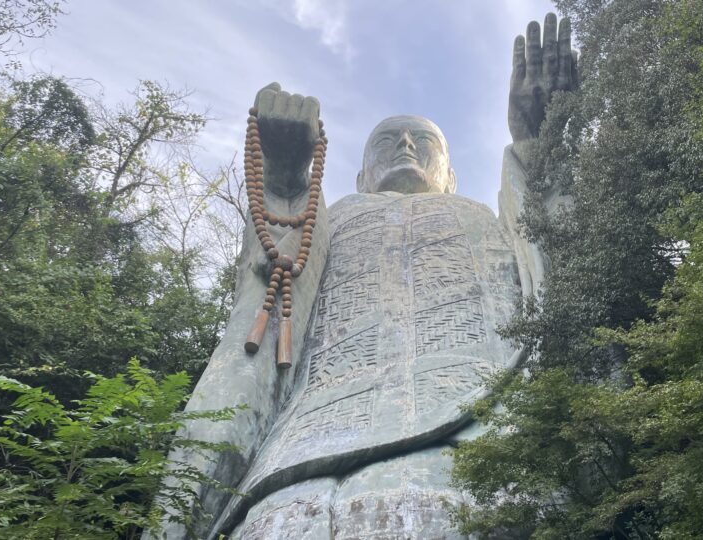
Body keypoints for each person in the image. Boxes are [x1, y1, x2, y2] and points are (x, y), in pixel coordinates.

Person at [153, 13, 578, 539]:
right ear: (359, 175)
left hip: (486, 442)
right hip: (305, 460)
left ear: (450, 176)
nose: (404, 148)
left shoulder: (484, 219)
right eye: (387, 142)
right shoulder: (334, 219)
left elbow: (563, 280)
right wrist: (286, 185)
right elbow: (269, 306)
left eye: (422, 143)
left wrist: (545, 151)